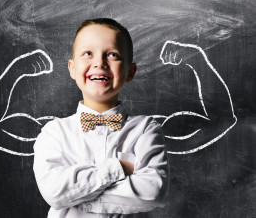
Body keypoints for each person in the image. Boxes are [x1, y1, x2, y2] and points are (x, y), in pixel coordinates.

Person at [33, 18, 169, 217]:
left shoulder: (146, 130)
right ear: (72, 68)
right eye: (88, 53)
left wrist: (77, 197)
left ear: (130, 72)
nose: (99, 63)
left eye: (113, 55)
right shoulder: (54, 133)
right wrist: (119, 168)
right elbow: (54, 193)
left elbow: (154, 192)